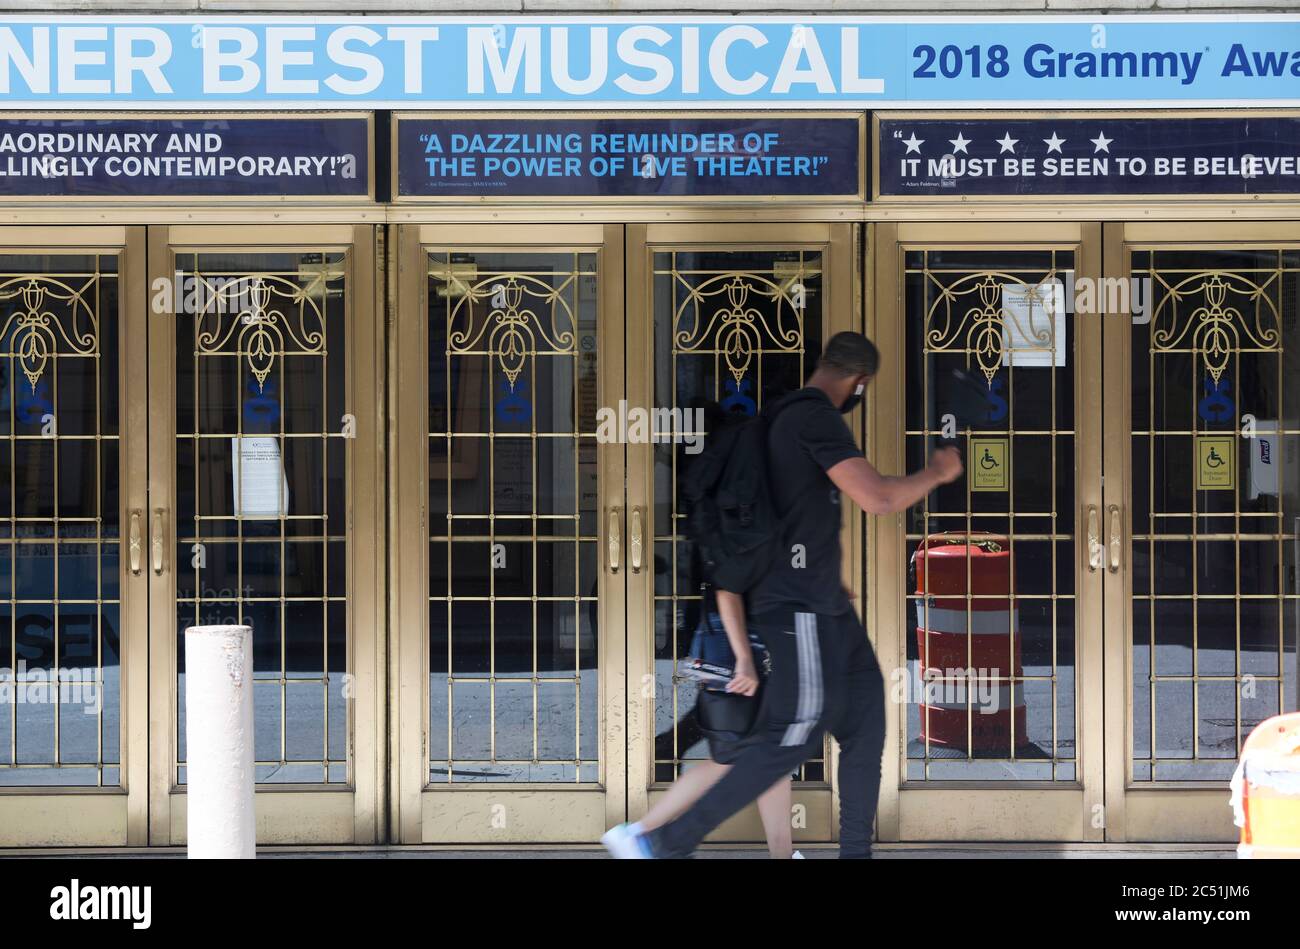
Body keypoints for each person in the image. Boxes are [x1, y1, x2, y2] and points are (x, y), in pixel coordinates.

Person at [610, 331, 964, 859]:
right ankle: (663, 842)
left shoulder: (781, 418)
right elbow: (879, 499)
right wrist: (936, 473)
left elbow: (796, 516)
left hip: (827, 607)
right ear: (859, 381)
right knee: (787, 737)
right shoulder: (812, 418)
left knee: (866, 723)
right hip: (799, 609)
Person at [603, 588, 799, 859]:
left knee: (769, 757)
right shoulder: (748, 546)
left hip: (747, 648)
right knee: (738, 758)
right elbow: (728, 587)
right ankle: (640, 834)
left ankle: (783, 855)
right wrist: (744, 659)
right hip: (738, 651)